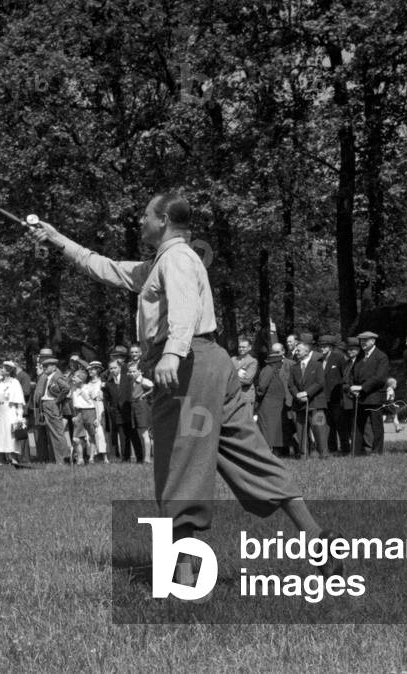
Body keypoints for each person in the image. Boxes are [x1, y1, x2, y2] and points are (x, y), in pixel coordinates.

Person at [32, 192, 341, 577]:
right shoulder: (163, 262)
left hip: (188, 367)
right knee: (249, 453)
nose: (139, 221)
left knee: (181, 463)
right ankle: (315, 536)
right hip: (212, 363)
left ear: (163, 220)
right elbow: (107, 268)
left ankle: (185, 575)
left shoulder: (176, 259)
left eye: (145, 215)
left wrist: (172, 354)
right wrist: (57, 238)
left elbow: (184, 308)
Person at [347, 331, 389, 456]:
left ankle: (377, 451)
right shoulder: (360, 357)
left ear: (373, 341)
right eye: (361, 340)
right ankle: (357, 451)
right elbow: (352, 375)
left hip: (374, 396)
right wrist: (352, 388)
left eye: (365, 340)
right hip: (359, 397)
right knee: (358, 425)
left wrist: (362, 387)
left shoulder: (381, 356)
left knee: (376, 426)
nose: (363, 343)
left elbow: (380, 378)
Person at [289, 336, 329, 459]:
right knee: (301, 431)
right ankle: (303, 455)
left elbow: (320, 383)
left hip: (316, 404)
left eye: (299, 350)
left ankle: (323, 455)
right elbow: (291, 385)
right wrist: (297, 395)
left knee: (319, 430)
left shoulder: (317, 365)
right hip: (299, 405)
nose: (296, 352)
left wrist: (306, 393)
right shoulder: (294, 367)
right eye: (296, 350)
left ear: (306, 351)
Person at [318, 336, 350, 456]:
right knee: (329, 424)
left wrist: (344, 393)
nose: (322, 348)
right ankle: (332, 448)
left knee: (340, 424)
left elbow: (345, 376)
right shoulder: (319, 360)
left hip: (336, 397)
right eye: (321, 346)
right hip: (324, 398)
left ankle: (345, 448)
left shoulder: (338, 358)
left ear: (331, 347)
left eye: (325, 346)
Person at [255, 344, 289, 456]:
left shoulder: (272, 370)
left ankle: (275, 451)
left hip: (274, 406)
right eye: (280, 361)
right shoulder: (268, 370)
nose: (282, 363)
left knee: (274, 429)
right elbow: (262, 387)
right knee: (268, 429)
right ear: (275, 362)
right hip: (268, 406)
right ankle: (267, 453)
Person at [37, 355, 72, 464]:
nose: (44, 368)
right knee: (52, 433)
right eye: (43, 366)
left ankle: (63, 459)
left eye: (46, 366)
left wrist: (57, 400)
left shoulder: (56, 376)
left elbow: (66, 388)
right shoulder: (49, 377)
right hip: (46, 404)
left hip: (52, 404)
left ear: (53, 367)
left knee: (57, 433)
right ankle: (58, 459)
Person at [0, 361, 27, 463]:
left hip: (10, 412)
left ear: (8, 370)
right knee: (0, 434)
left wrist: (19, 415)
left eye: (3, 368)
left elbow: (19, 401)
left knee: (10, 435)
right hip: (0, 412)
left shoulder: (15, 383)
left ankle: (13, 458)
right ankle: (1, 458)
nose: (0, 370)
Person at [103, 358, 136, 462]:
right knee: (122, 435)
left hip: (129, 410)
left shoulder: (127, 378)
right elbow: (107, 397)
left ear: (120, 368)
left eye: (115, 368)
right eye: (111, 368)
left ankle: (140, 457)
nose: (113, 370)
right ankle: (125, 457)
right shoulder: (109, 383)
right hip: (117, 413)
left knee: (133, 434)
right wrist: (111, 408)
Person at [127, 360, 154, 464]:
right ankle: (144, 457)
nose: (132, 373)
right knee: (140, 433)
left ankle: (147, 458)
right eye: (130, 372)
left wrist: (145, 395)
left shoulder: (144, 381)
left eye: (134, 371)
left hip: (141, 407)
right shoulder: (132, 382)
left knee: (144, 434)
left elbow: (153, 388)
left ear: (140, 371)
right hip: (134, 407)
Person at [87, 362, 109, 463]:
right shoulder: (87, 384)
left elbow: (103, 398)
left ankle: (105, 457)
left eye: (93, 369)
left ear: (98, 370)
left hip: (100, 408)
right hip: (90, 408)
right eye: (89, 369)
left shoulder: (102, 383)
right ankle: (92, 456)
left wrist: (99, 416)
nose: (90, 371)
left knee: (100, 432)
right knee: (90, 433)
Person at [231, 337, 258, 410]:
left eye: (244, 347)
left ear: (249, 348)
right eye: (239, 347)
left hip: (245, 395)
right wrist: (238, 375)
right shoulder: (233, 359)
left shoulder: (252, 361)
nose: (241, 349)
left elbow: (247, 380)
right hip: (233, 396)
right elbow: (225, 374)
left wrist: (232, 377)